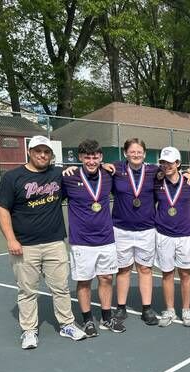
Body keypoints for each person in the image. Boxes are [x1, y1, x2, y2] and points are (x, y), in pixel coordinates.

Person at [0, 135, 87, 349]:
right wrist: (11, 239)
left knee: (61, 288)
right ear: (30, 152)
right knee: (27, 291)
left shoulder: (58, 174)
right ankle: (29, 330)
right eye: (38, 151)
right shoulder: (13, 177)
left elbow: (89, 169)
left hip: (55, 243)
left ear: (51, 155)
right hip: (25, 245)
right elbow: (2, 209)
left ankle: (67, 324)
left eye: (46, 152)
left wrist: (105, 166)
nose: (42, 155)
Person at [62, 139, 123, 336]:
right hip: (81, 241)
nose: (91, 161)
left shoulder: (108, 174)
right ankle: (87, 320)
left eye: (95, 157)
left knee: (106, 278)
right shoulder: (68, 177)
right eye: (87, 157)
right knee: (85, 281)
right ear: (80, 157)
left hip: (106, 238)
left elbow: (132, 168)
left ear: (101, 157)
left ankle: (107, 317)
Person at [112, 138, 160, 326]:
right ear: (125, 153)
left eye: (139, 151)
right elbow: (94, 168)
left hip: (146, 229)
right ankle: (121, 306)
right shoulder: (115, 169)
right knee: (123, 269)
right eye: (132, 151)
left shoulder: (154, 171)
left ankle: (146, 308)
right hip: (121, 229)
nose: (136, 154)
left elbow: (174, 173)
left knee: (145, 269)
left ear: (145, 154)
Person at [153, 147, 190, 328]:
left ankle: (186, 310)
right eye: (163, 162)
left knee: (186, 274)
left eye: (170, 163)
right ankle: (170, 310)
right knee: (167, 273)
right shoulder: (156, 182)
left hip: (185, 235)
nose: (166, 166)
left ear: (178, 164)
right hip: (163, 234)